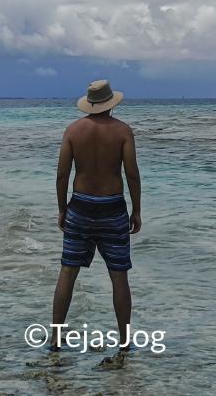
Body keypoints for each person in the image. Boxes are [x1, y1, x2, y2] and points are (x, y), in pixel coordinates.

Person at [50, 78, 141, 351]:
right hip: (112, 207)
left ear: (89, 104)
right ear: (111, 103)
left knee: (68, 271)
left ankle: (55, 338)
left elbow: (62, 174)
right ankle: (124, 342)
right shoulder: (123, 131)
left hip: (80, 206)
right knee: (118, 275)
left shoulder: (73, 131)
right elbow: (132, 175)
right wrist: (136, 209)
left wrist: (62, 209)